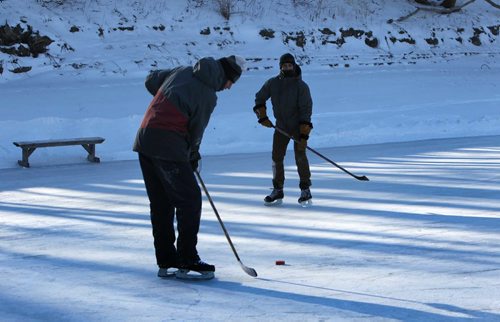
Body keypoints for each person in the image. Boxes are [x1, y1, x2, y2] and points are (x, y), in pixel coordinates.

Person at [133, 55, 245, 279]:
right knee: (190, 199)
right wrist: (192, 154)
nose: (230, 88)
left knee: (161, 202)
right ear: (226, 77)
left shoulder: (182, 70)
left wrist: (169, 97)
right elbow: (196, 131)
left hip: (145, 139)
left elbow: (150, 80)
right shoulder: (208, 96)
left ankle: (166, 260)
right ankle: (187, 257)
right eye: (232, 82)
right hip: (167, 145)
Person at [253, 53, 313, 206]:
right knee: (276, 157)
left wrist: (304, 134)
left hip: (298, 127)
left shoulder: (301, 86)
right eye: (284, 65)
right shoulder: (273, 83)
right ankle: (278, 189)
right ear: (280, 67)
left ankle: (305, 189)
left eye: (289, 65)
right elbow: (260, 97)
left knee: (300, 156)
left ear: (294, 66)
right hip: (280, 126)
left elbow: (306, 109)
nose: (287, 68)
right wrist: (263, 116)